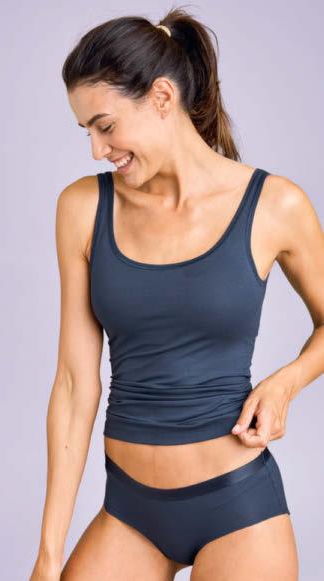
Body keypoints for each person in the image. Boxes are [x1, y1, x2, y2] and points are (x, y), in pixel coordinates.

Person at [30, 7, 324, 581]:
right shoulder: (83, 208)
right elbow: (73, 384)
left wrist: (286, 382)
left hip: (238, 506)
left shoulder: (275, 205)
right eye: (86, 131)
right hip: (128, 509)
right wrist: (48, 554)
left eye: (105, 126)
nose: (96, 149)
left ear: (162, 96)